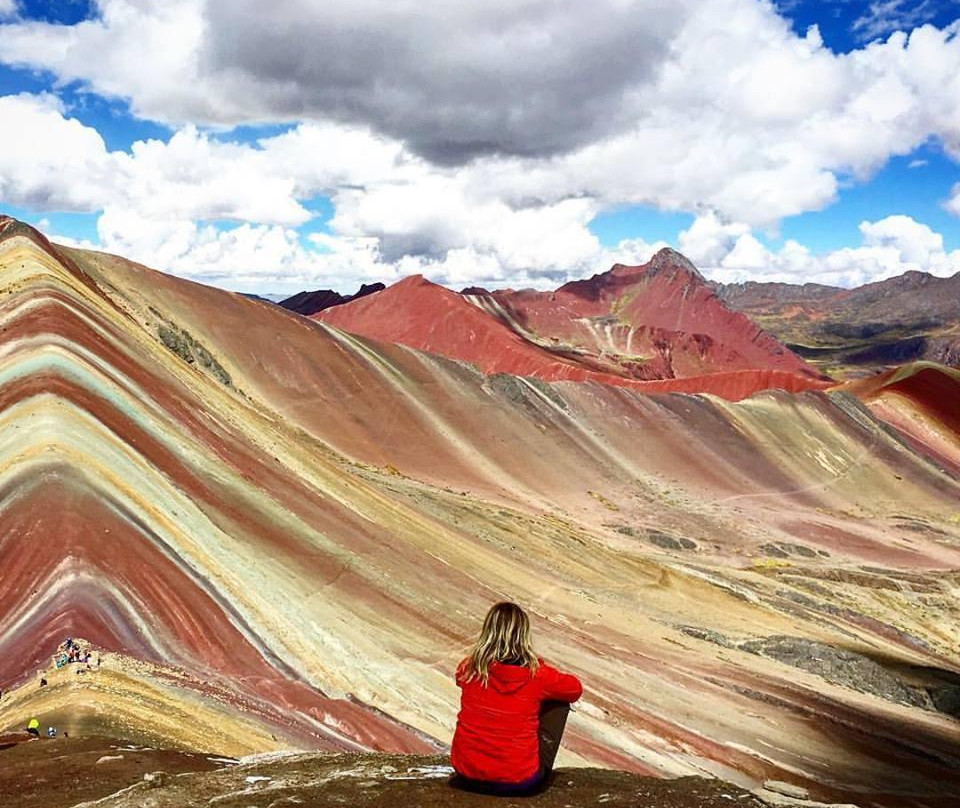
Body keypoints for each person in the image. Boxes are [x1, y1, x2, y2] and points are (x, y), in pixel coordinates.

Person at [450, 602, 582, 796]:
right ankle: (526, 760)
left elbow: (460, 679)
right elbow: (574, 689)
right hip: (518, 780)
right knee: (558, 702)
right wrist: (538, 665)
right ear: (523, 635)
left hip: (466, 775)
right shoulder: (537, 676)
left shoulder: (470, 668)